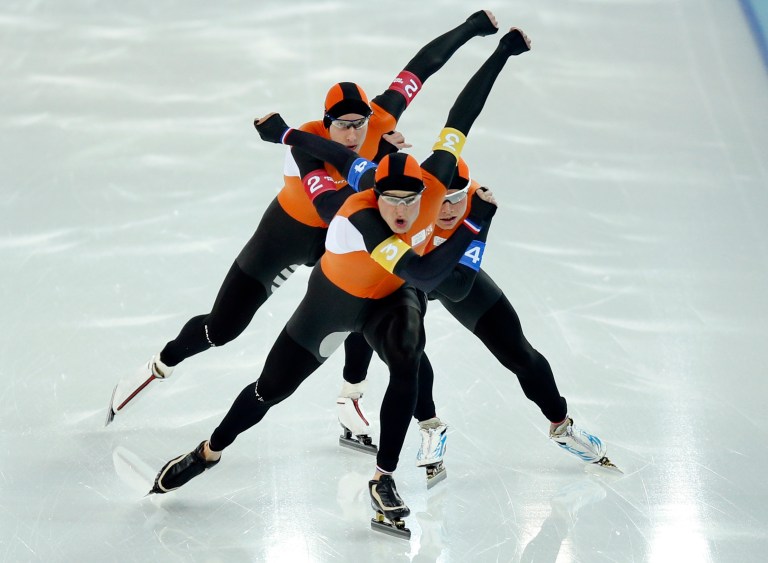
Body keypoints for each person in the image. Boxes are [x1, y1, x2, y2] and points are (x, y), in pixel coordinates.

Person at [148, 28, 532, 539]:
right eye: (389, 200)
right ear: (375, 194)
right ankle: (210, 450)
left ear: (426, 186)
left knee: (407, 357)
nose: (400, 211)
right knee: (269, 391)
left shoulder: (426, 173)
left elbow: (463, 114)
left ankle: (384, 478)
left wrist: (502, 53)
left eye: (409, 200)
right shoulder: (359, 214)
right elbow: (424, 272)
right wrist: (470, 223)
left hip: (386, 299)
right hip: (331, 307)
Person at [106, 9, 501, 424]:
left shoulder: (379, 119)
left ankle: (351, 395)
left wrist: (472, 27)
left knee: (372, 296)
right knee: (222, 330)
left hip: (342, 240)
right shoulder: (305, 146)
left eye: (360, 125)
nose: (353, 135)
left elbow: (422, 67)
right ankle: (159, 365)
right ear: (325, 124)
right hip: (287, 235)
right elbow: (329, 208)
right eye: (343, 126)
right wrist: (383, 159)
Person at [339, 158, 619, 483]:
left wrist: (474, 224)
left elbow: (459, 288)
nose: (448, 209)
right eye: (440, 200)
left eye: (457, 198)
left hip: (447, 274)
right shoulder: (405, 202)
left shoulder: (478, 203)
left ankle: (561, 424)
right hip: (401, 277)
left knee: (518, 351)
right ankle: (380, 406)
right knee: (378, 327)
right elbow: (349, 164)